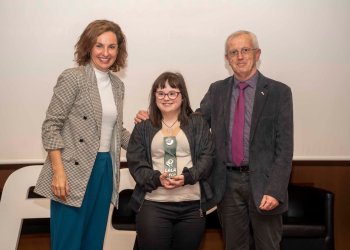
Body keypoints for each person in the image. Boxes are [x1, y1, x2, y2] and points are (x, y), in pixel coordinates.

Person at [135, 30, 293, 250]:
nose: (240, 57)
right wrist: (154, 116)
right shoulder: (217, 90)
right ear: (227, 59)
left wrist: (275, 189)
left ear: (257, 53)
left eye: (245, 50)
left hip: (264, 185)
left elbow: (284, 148)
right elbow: (192, 120)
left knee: (268, 246)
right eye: (233, 52)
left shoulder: (279, 92)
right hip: (226, 184)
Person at [34, 20, 130, 250]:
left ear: (119, 50)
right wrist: (58, 173)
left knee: (93, 241)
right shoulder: (73, 77)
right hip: (71, 171)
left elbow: (118, 131)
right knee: (67, 242)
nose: (105, 53)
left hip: (105, 168)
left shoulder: (117, 85)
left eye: (111, 47)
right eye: (99, 46)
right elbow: (50, 126)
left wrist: (154, 135)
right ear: (88, 47)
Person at [127, 72, 215, 250]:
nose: (166, 98)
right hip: (154, 204)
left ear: (182, 96)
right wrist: (156, 179)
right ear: (154, 97)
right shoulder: (143, 126)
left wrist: (188, 177)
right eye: (161, 93)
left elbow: (208, 157)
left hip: (192, 207)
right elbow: (136, 162)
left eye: (172, 92)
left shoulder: (198, 124)